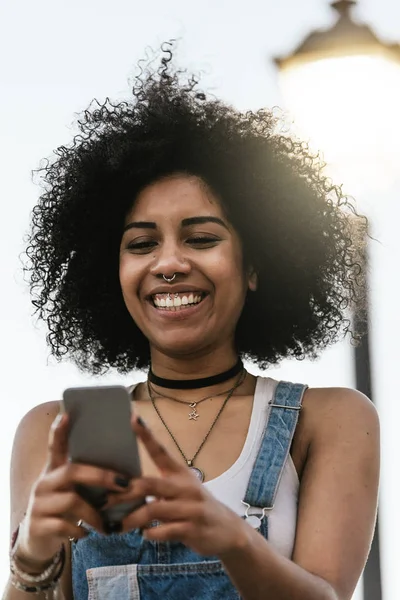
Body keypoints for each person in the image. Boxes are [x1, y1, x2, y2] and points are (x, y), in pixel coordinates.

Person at [5, 44, 379, 600]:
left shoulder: (328, 421)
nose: (170, 263)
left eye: (202, 238)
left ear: (254, 266)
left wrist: (232, 538)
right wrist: (31, 554)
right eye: (141, 244)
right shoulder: (54, 431)